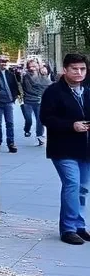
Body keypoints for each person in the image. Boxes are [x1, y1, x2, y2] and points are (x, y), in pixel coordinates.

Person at [40, 52, 90, 245]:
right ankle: (68, 229)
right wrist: (72, 125)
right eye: (75, 69)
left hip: (85, 148)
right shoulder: (54, 91)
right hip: (63, 148)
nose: (79, 72)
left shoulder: (87, 90)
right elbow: (46, 118)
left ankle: (79, 225)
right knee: (72, 185)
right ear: (65, 70)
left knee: (83, 188)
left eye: (82, 69)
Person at [21, 58, 51, 146]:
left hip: (39, 101)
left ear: (38, 66)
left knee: (40, 120)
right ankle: (27, 129)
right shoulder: (25, 76)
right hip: (28, 101)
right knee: (28, 119)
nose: (32, 68)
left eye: (34, 66)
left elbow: (48, 85)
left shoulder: (43, 75)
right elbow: (25, 87)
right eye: (30, 67)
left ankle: (40, 136)